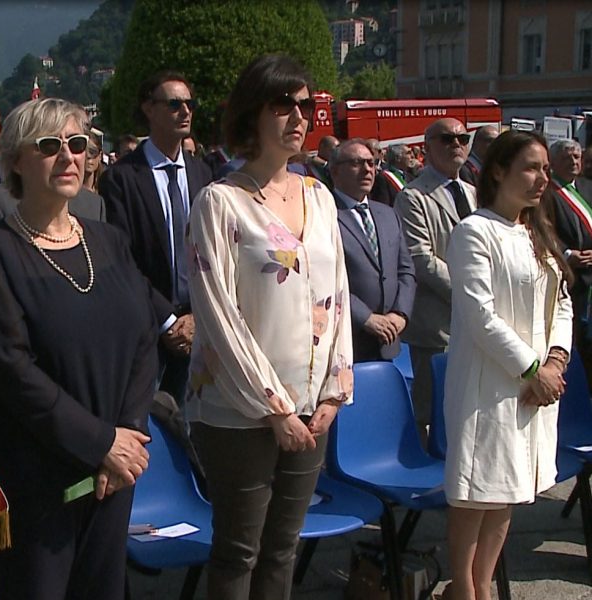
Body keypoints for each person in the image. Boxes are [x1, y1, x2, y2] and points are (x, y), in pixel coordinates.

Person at [0, 98, 157, 600]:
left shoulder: (109, 240)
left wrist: (128, 436)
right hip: (37, 477)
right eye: (50, 146)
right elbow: (11, 368)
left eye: (77, 144)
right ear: (15, 161)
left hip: (114, 471)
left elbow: (144, 339)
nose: (69, 156)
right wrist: (100, 442)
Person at [186, 54, 353, 600]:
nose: (299, 117)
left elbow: (338, 297)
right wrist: (274, 408)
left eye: (306, 106)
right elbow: (218, 315)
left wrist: (335, 391)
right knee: (239, 551)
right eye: (283, 105)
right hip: (239, 412)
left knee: (284, 547)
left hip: (312, 407)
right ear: (252, 113)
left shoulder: (320, 196)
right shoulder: (220, 202)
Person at [443, 130, 572, 600]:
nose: (542, 179)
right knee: (477, 491)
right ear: (498, 171)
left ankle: (482, 585)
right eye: (531, 168)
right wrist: (533, 370)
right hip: (488, 387)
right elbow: (480, 316)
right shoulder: (474, 232)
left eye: (545, 170)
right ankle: (464, 588)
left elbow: (561, 303)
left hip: (532, 388)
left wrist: (555, 360)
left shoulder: (536, 232)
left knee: (508, 491)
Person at [100, 70, 214, 407]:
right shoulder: (122, 178)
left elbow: (214, 251)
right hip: (149, 327)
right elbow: (123, 258)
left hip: (201, 325)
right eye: (174, 104)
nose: (186, 111)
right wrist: (168, 321)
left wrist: (198, 317)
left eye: (190, 104)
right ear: (149, 109)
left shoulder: (202, 172)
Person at [394, 117, 476, 441]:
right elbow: (421, 259)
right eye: (446, 138)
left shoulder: (474, 192)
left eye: (462, 138)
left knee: (467, 410)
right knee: (431, 413)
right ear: (426, 148)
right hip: (438, 323)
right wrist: (469, 294)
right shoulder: (413, 196)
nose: (456, 144)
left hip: (477, 320)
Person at [330, 139, 415, 362]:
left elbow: (405, 270)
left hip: (389, 340)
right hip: (347, 342)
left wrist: (400, 314)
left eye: (371, 163)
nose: (367, 169)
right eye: (356, 163)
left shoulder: (387, 214)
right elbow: (325, 278)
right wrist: (366, 318)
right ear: (335, 171)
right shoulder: (324, 215)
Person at [548, 139, 592, 377]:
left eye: (576, 157)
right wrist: (566, 254)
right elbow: (544, 230)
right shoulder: (546, 193)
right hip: (570, 278)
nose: (573, 162)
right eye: (566, 158)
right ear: (553, 162)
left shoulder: (587, 187)